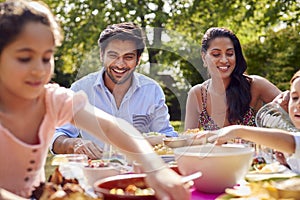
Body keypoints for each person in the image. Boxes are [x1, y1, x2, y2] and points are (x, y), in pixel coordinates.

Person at [0, 1, 190, 199]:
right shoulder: (81, 87)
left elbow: (111, 128)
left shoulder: (53, 99)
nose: (39, 70)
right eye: (24, 58)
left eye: (46, 58)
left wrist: (156, 169)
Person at [51, 22, 177, 159]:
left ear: (138, 60)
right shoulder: (80, 89)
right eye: (113, 55)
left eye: (128, 57)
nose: (120, 64)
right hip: (97, 172)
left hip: (140, 171)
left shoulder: (152, 91)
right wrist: (73, 143)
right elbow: (57, 136)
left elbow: (166, 135)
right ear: (102, 55)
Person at [201, 70, 300, 173]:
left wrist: (238, 131)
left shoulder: (292, 142)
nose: (298, 104)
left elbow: (292, 142)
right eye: (295, 98)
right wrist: (286, 164)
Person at [184, 27, 281, 131]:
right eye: (216, 54)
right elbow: (189, 139)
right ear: (204, 57)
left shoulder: (255, 85)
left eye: (230, 54)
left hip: (252, 148)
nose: (224, 60)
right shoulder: (198, 94)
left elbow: (293, 107)